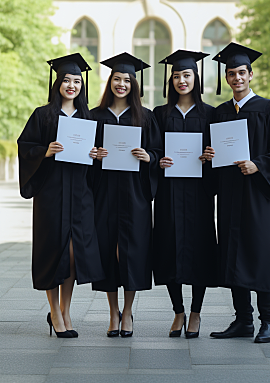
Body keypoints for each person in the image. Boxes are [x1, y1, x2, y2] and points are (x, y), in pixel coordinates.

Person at [203, 43, 270, 343]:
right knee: (231, 252)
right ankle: (243, 320)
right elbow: (212, 157)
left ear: (251, 74)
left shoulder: (268, 109)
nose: (237, 78)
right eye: (231, 73)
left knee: (259, 254)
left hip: (255, 194)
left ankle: (269, 321)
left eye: (242, 72)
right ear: (226, 78)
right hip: (228, 193)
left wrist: (259, 164)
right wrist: (209, 155)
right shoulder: (221, 113)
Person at [18, 53, 104, 338]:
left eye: (77, 81)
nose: (71, 85)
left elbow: (95, 157)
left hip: (80, 194)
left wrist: (94, 155)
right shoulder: (43, 115)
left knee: (72, 255)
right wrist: (45, 151)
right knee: (52, 253)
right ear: (57, 84)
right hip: (51, 195)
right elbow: (24, 146)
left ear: (82, 86)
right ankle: (54, 312)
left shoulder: (88, 118)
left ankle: (66, 309)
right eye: (66, 80)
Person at [90, 52, 162, 338]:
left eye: (126, 80)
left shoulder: (145, 117)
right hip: (105, 193)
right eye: (117, 79)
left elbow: (158, 152)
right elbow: (86, 153)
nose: (121, 84)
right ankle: (112, 312)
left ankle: (128, 312)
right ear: (110, 83)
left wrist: (149, 156)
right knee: (107, 250)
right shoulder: (95, 116)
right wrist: (94, 154)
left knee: (133, 253)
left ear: (134, 85)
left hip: (135, 195)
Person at [153, 50, 218, 339]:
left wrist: (210, 156)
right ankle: (178, 310)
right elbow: (153, 150)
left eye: (187, 75)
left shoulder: (211, 114)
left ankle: (195, 313)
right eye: (177, 75)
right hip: (168, 193)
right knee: (167, 247)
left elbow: (223, 155)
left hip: (198, 194)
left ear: (196, 78)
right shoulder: (160, 114)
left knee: (200, 250)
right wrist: (158, 160)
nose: (181, 80)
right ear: (171, 80)